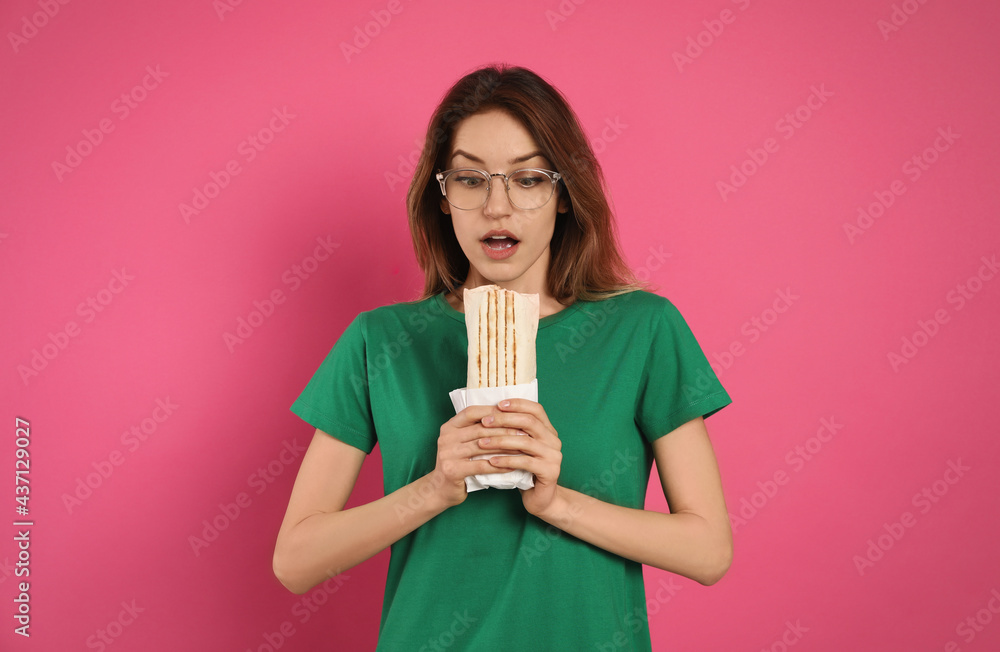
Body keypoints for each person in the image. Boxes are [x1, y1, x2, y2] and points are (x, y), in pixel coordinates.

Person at [273, 63, 733, 651]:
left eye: (528, 178)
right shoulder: (380, 341)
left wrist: (555, 502)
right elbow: (295, 560)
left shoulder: (643, 329)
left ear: (563, 194)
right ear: (441, 196)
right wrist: (436, 487)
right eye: (470, 180)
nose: (497, 207)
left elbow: (708, 550)